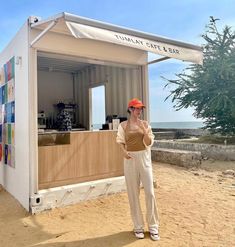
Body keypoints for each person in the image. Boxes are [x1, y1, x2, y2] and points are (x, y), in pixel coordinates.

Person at [116, 98, 160, 241]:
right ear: (130, 109)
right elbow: (121, 141)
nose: (139, 111)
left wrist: (146, 133)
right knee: (133, 194)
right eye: (136, 108)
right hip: (130, 160)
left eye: (140, 109)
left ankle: (153, 226)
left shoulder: (146, 124)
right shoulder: (123, 125)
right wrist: (123, 151)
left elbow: (148, 143)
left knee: (150, 193)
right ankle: (138, 226)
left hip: (144, 159)